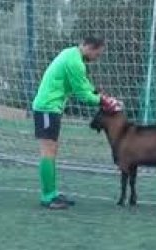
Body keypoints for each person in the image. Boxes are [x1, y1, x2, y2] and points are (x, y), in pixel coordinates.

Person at [32, 36, 120, 209]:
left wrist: (100, 95)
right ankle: (48, 196)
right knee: (47, 151)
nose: (97, 58)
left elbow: (83, 84)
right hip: (47, 108)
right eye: (97, 54)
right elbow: (83, 95)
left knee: (52, 150)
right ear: (89, 47)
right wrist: (105, 102)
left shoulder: (71, 54)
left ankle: (52, 193)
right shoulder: (75, 62)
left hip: (50, 108)